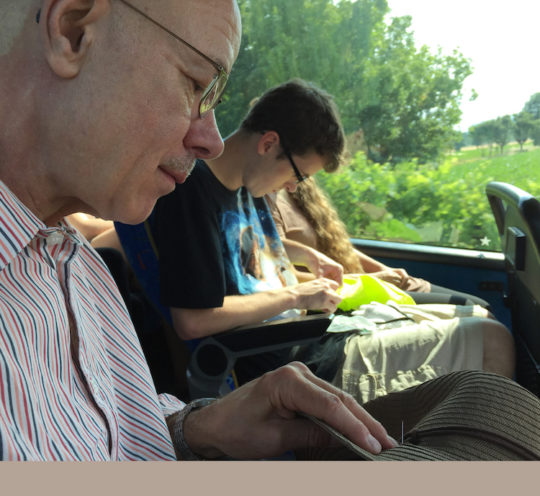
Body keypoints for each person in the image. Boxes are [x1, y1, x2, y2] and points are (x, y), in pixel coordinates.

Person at [1, 0, 537, 462]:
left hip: (270, 376)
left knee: (491, 408)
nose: (210, 139)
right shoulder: (167, 209)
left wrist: (195, 429)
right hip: (283, 349)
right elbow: (193, 321)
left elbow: (112, 439)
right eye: (193, 83)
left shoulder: (77, 269)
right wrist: (299, 293)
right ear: (72, 30)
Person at [116, 78, 515, 397]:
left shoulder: (245, 184)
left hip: (321, 333)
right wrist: (299, 296)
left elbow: (240, 244)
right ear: (268, 142)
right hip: (298, 366)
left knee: (476, 315)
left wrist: (305, 254)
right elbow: (193, 320)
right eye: (299, 174)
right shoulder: (191, 196)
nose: (294, 187)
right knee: (492, 341)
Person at [266, 177, 490, 307]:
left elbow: (336, 244)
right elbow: (284, 276)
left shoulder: (300, 185)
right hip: (349, 294)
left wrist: (383, 270)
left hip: (368, 282)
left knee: (480, 306)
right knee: (477, 311)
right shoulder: (267, 200)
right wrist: (371, 279)